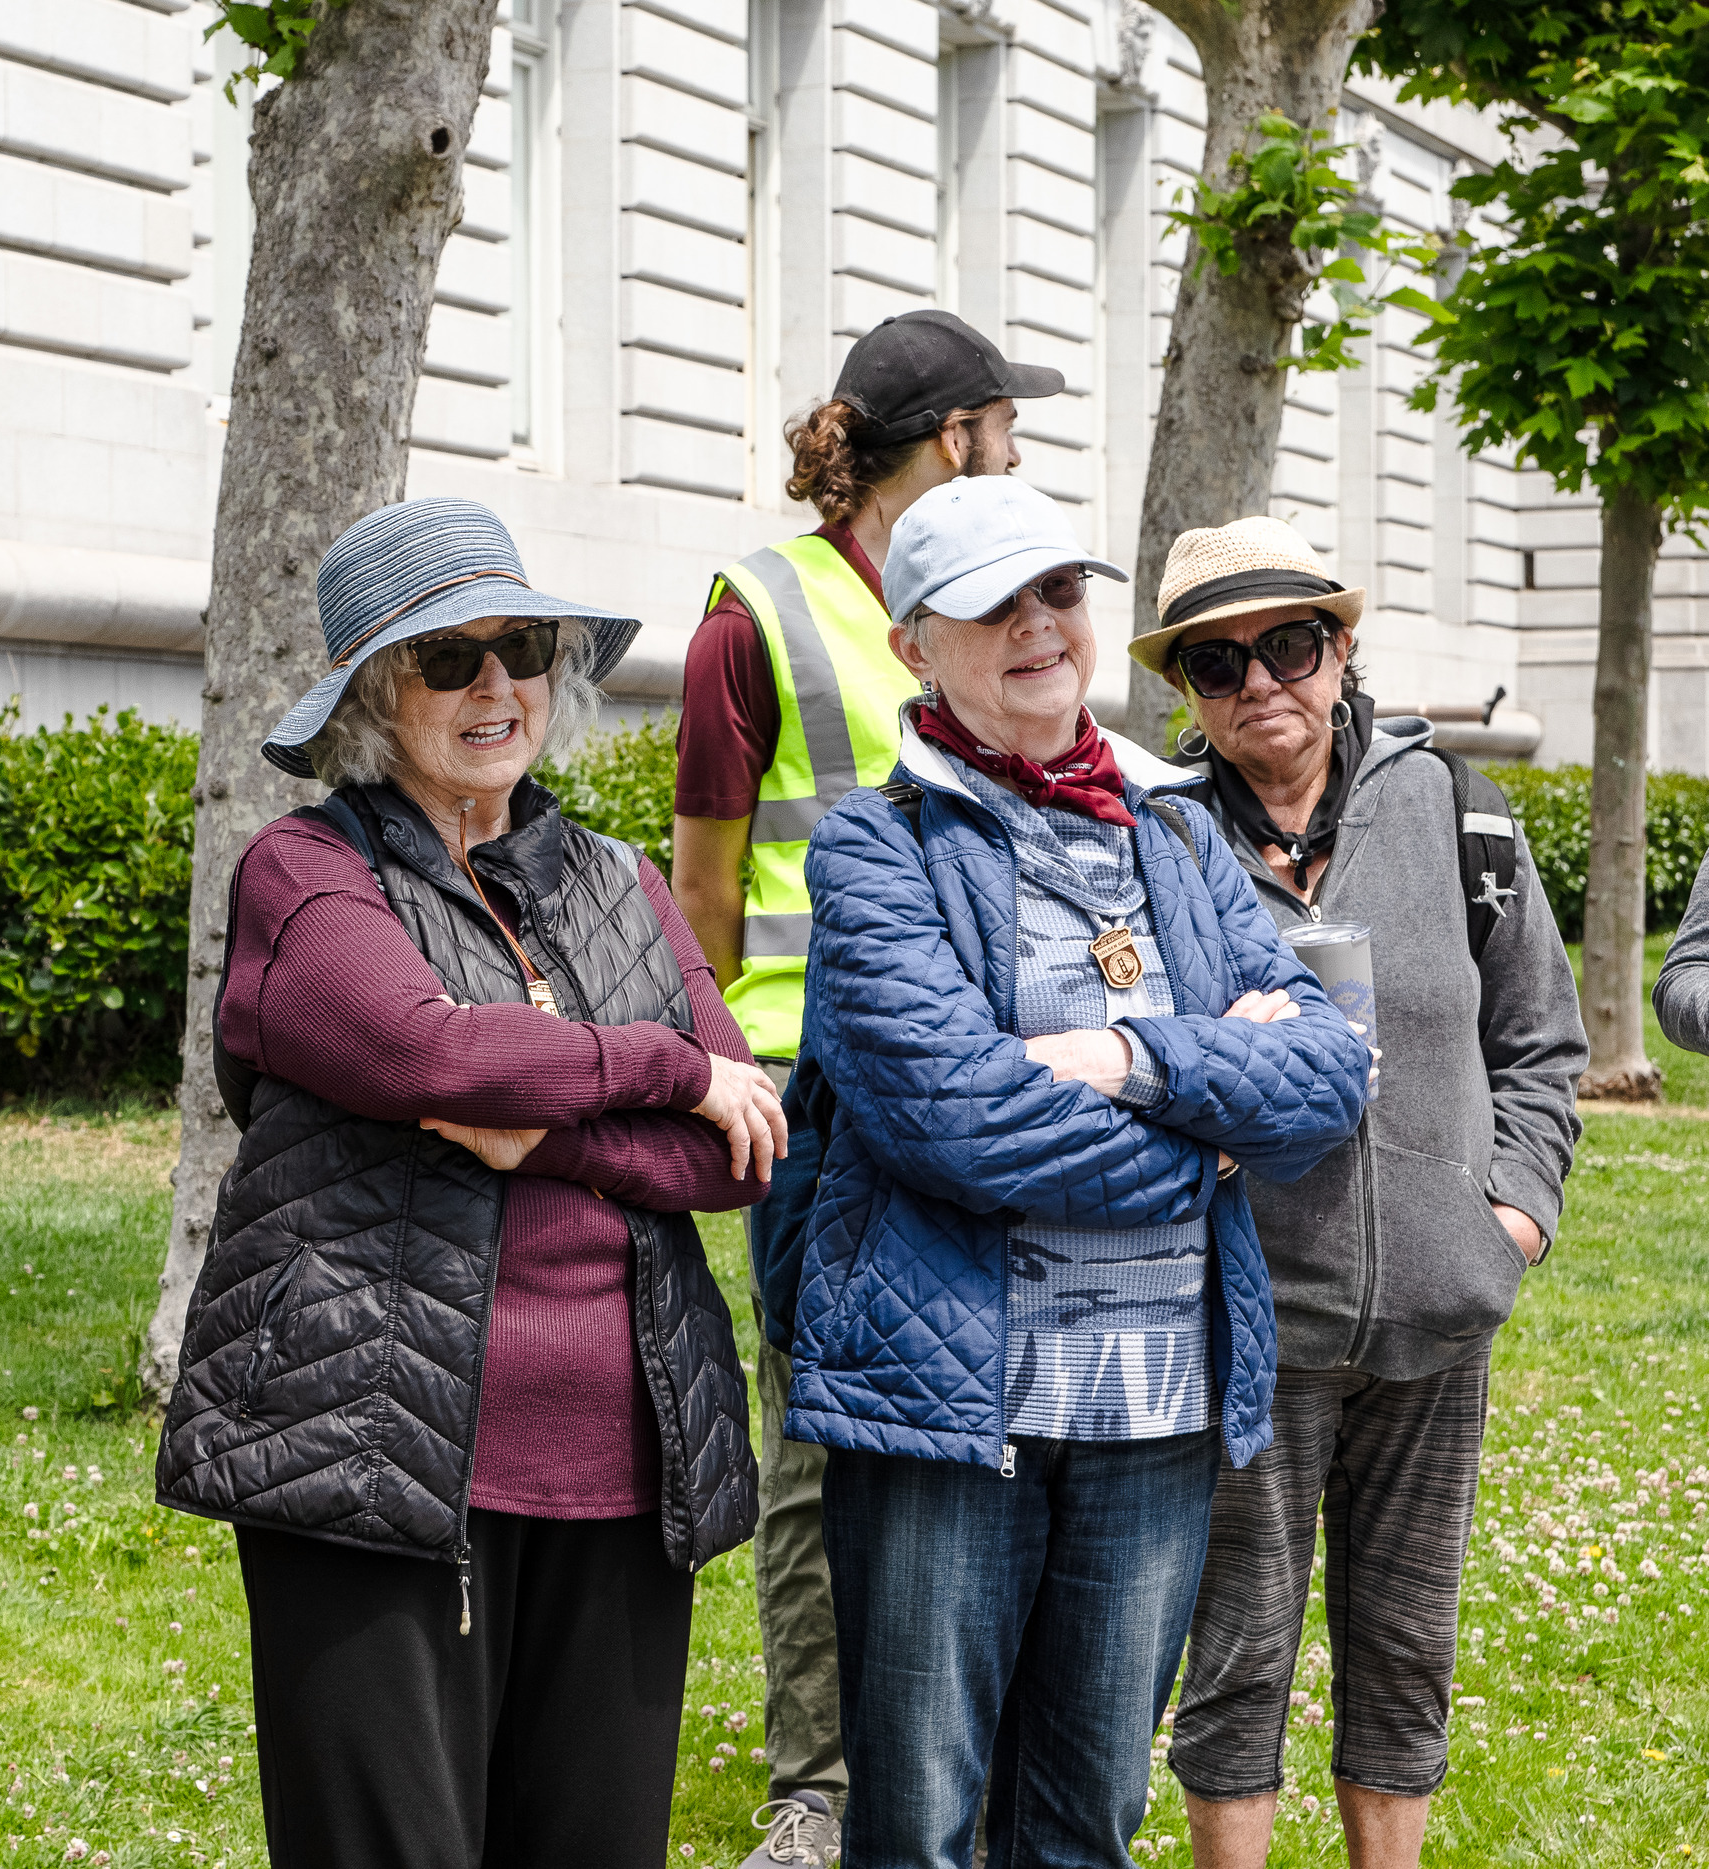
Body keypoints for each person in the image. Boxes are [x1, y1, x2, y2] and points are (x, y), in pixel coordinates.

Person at [154, 497, 785, 1869]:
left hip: (625, 1469)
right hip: (374, 1456)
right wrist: (658, 1067)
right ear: (375, 698)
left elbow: (733, 1151)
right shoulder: (307, 873)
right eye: (447, 661)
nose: (495, 685)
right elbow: (421, 1046)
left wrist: (537, 1119)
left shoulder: (616, 882)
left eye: (522, 647)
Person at [790, 475, 1372, 1869]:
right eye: (991, 602)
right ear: (913, 645)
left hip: (1153, 1409)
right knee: (918, 1825)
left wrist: (1117, 1059)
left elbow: (1325, 1074)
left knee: (1087, 1816)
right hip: (946, 1410)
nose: (1037, 625)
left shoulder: (1170, 825)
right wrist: (1201, 1133)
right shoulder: (875, 846)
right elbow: (949, 1114)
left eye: (1055, 590)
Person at [671, 308, 1062, 1867]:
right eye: (1003, 422)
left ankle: (971, 1748)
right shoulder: (753, 615)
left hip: (999, 1086)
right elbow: (700, 891)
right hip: (812, 1103)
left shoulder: (1007, 607)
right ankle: (817, 1788)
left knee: (1012, 1423)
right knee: (819, 1442)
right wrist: (715, 1079)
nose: (1018, 447)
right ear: (954, 435)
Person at [1138, 519, 1585, 1869]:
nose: (1258, 681)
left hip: (1433, 1320)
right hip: (1249, 1321)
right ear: (1187, 693)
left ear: (1338, 648)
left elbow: (1538, 1040)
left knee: (1403, 1641)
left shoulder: (1452, 805)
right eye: (1217, 664)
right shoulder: (1150, 839)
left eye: (1285, 644)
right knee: (1235, 1649)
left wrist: (1500, 1217)